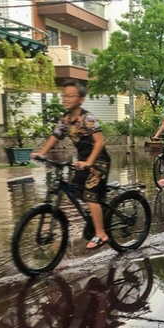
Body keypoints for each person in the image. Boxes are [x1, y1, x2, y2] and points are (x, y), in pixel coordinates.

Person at [32, 80, 111, 250]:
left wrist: (89, 162)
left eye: (70, 96)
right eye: (64, 96)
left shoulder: (87, 118)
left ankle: (101, 233)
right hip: (83, 162)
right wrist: (42, 153)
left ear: (81, 99)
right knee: (75, 189)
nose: (66, 99)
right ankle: (98, 211)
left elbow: (99, 142)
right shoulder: (66, 120)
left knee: (90, 194)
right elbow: (55, 136)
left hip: (99, 162)